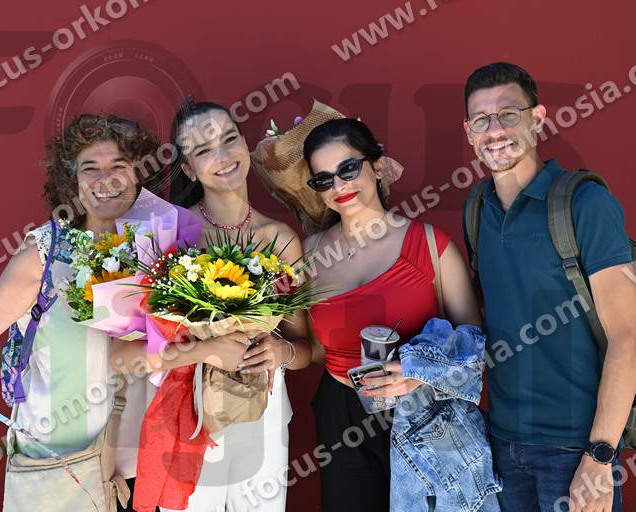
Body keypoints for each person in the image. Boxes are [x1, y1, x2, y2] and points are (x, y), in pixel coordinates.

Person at [0, 113, 243, 511]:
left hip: (134, 465)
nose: (105, 179)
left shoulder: (162, 252)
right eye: (90, 168)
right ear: (71, 181)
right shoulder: (46, 252)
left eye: (119, 166)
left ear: (137, 173)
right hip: (57, 464)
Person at [461, 62, 636, 512]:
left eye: (509, 114)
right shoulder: (477, 208)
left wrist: (600, 456)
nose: (494, 131)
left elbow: (628, 336)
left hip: (576, 448)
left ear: (537, 118)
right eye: (481, 120)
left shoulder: (586, 203)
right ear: (469, 132)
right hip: (501, 445)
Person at [301, 118, 481, 511]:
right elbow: (314, 350)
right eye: (324, 179)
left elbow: (475, 345)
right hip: (341, 416)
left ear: (378, 166)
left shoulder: (430, 244)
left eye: (349, 169)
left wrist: (418, 374)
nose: (339, 186)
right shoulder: (310, 254)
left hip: (424, 412)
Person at [144, 99, 313, 512]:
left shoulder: (280, 239)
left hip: (263, 412)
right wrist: (205, 349)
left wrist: (281, 352)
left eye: (229, 139)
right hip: (189, 408)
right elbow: (141, 350)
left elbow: (305, 347)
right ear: (188, 169)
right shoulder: (170, 236)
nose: (222, 156)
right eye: (203, 150)